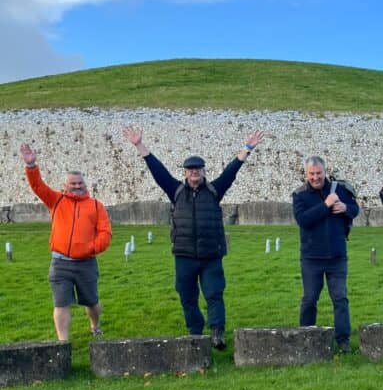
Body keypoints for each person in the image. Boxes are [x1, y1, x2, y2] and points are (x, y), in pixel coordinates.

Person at [123, 125, 264, 349]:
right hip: (184, 255)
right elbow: (157, 170)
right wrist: (139, 145)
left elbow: (232, 170)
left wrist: (247, 148)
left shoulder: (215, 190)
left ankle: (217, 332)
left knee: (214, 294)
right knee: (187, 296)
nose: (194, 172)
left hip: (211, 255)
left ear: (204, 171)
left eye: (197, 168)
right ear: (185, 173)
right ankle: (196, 333)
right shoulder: (175, 191)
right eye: (190, 169)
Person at [20, 144, 112, 340]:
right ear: (65, 185)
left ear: (84, 185)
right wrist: (31, 166)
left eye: (80, 183)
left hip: (86, 263)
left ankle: (95, 326)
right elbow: (38, 186)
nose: (77, 186)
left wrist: (91, 248)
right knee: (61, 303)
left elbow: (105, 233)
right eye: (73, 184)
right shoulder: (56, 200)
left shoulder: (96, 206)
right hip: (60, 263)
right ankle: (63, 341)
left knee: (92, 302)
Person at [292, 156, 359, 352]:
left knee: (340, 298)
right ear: (306, 174)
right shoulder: (299, 195)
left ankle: (343, 341)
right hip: (311, 258)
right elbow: (303, 220)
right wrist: (326, 205)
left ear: (325, 171)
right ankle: (306, 337)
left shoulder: (341, 189)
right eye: (311, 174)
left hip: (337, 256)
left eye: (318, 173)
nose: (315, 177)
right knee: (310, 299)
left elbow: (355, 209)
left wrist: (346, 208)